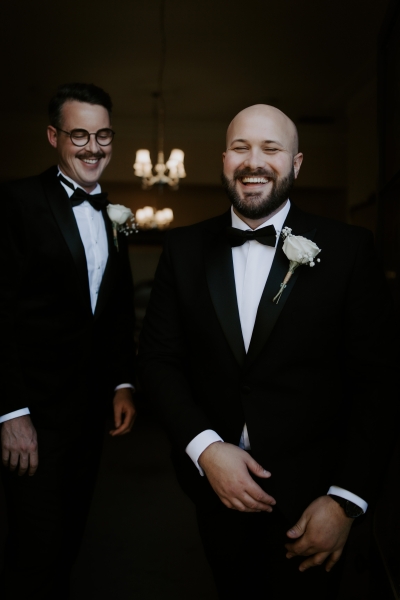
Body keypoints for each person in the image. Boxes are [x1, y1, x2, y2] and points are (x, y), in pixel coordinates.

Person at [138, 104, 397, 599]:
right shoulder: (184, 249)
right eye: (240, 148)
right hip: (215, 492)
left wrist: (346, 501)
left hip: (316, 500)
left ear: (296, 164)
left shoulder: (349, 249)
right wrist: (205, 448)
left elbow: (379, 383)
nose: (253, 161)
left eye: (270, 148)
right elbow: (157, 360)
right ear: (224, 160)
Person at [0, 83, 136, 599]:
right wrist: (12, 413)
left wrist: (122, 382)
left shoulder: (114, 213)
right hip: (31, 419)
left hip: (87, 418)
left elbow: (114, 311)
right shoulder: (16, 202)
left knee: (69, 543)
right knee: (34, 551)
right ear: (53, 136)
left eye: (103, 135)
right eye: (80, 135)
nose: (93, 148)